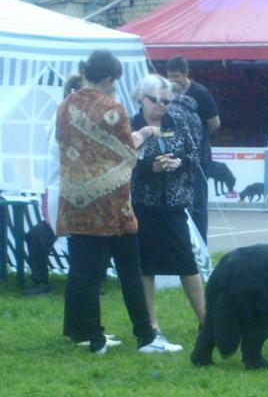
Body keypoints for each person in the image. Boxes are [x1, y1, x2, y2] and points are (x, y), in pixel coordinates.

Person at [57, 50, 180, 354]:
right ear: (110, 79)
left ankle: (90, 336)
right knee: (129, 268)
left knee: (83, 272)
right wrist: (145, 133)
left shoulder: (65, 105)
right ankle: (146, 336)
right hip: (111, 205)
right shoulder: (112, 109)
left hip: (75, 200)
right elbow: (126, 152)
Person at [131, 74, 205, 347]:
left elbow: (195, 154)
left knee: (187, 263)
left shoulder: (178, 121)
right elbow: (123, 160)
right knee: (146, 266)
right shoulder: (131, 124)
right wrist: (152, 166)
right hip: (144, 205)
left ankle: (206, 321)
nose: (161, 107)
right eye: (155, 101)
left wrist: (178, 163)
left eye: (166, 101)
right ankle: (152, 326)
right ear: (141, 97)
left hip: (174, 204)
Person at [23, 75, 84, 296]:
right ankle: (41, 281)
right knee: (37, 235)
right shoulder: (59, 117)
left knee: (92, 236)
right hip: (60, 190)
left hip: (83, 190)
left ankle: (93, 281)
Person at [166, 56, 220, 243]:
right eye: (170, 77)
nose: (173, 81)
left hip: (200, 157)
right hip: (178, 157)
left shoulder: (201, 93)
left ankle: (201, 245)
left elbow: (214, 123)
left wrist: (199, 137)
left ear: (186, 73)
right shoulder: (167, 93)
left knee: (198, 204)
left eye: (177, 76)